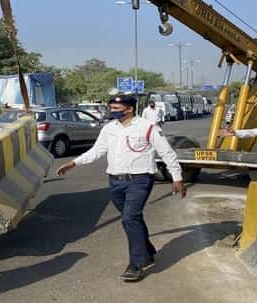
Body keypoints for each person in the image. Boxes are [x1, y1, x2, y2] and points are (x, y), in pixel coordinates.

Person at [55, 95, 186, 282]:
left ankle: (137, 264)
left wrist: (177, 178)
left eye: (116, 107)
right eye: (111, 107)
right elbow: (97, 150)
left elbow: (167, 153)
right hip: (115, 181)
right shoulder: (109, 128)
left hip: (139, 180)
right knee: (133, 218)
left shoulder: (148, 127)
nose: (112, 110)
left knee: (129, 218)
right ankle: (147, 251)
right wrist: (74, 163)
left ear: (130, 109)